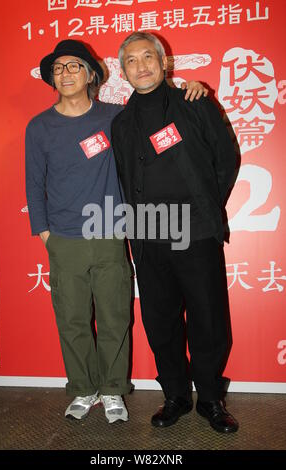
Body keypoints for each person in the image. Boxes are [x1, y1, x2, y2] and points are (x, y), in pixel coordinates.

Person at [25, 39, 207, 424]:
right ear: (51, 79)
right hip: (64, 240)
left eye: (74, 66)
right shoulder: (39, 126)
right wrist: (44, 232)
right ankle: (82, 387)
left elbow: (157, 112)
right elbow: (33, 183)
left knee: (113, 318)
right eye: (58, 69)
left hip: (109, 234)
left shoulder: (114, 117)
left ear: (92, 74)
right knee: (71, 320)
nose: (66, 74)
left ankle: (111, 390)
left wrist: (193, 89)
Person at [111, 32, 239, 433]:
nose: (141, 65)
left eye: (149, 56)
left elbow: (227, 156)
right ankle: (176, 395)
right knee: (160, 320)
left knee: (208, 316)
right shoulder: (121, 123)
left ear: (164, 62)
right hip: (147, 236)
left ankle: (212, 399)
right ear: (123, 70)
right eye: (131, 60)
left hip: (194, 231)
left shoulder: (194, 103)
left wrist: (203, 206)